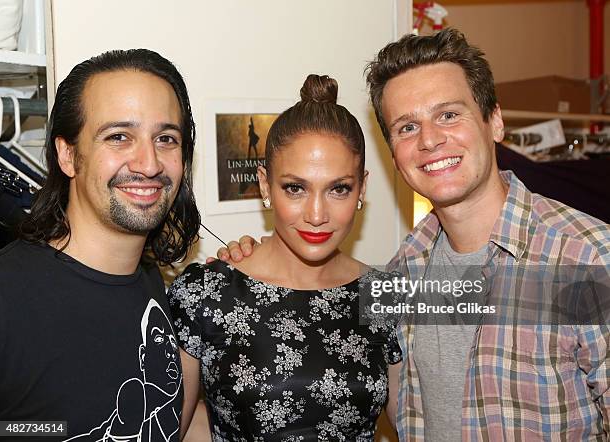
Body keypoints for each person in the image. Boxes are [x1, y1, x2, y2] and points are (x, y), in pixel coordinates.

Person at [219, 29, 610, 441]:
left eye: (448, 115)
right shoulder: (402, 274)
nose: (429, 140)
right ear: (394, 154)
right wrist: (244, 265)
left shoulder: (584, 257)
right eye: (407, 127)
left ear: (494, 120)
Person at [168, 74, 403, 441]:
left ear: (362, 188)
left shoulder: (386, 295)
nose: (316, 213)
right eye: (295, 188)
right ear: (264, 185)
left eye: (338, 189)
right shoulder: (205, 294)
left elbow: (420, 425)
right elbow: (170, 431)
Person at [0, 48, 200, 441]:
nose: (149, 163)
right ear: (68, 155)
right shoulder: (6, 296)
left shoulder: (155, 286)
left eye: (166, 138)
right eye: (119, 136)